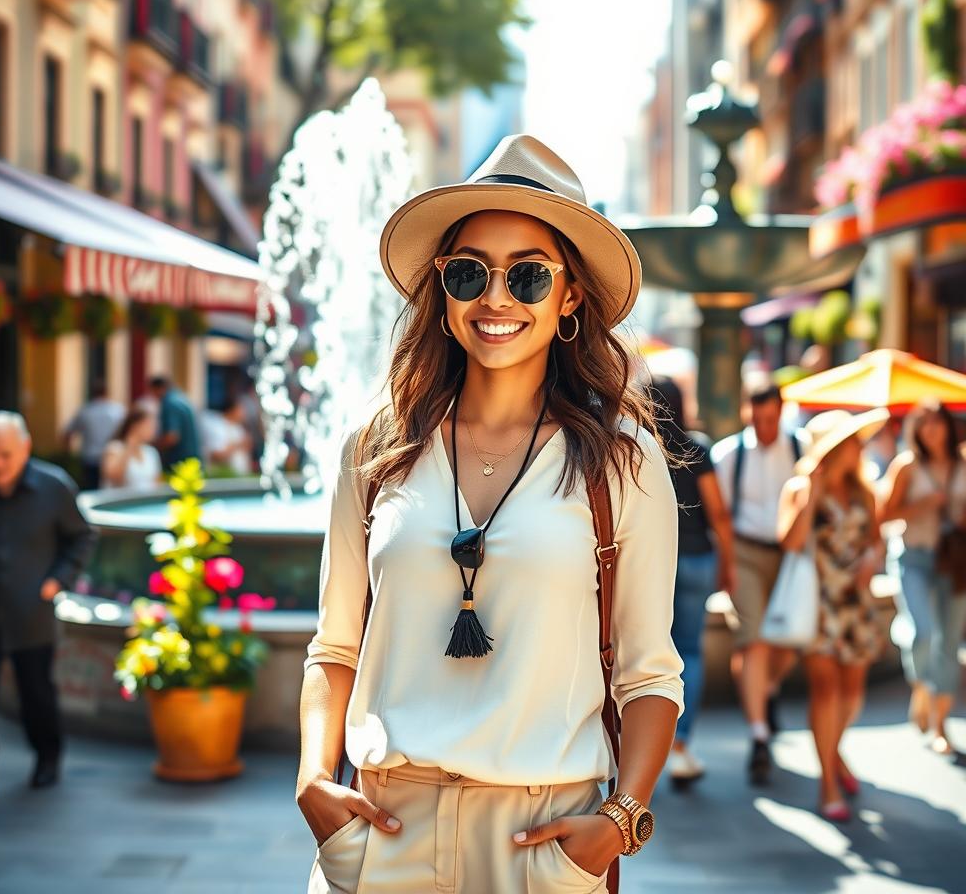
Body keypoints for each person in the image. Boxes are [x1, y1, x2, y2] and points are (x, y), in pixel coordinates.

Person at [297, 135, 683, 893]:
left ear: (570, 295)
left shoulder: (621, 462)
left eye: (529, 276)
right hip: (381, 834)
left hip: (541, 845)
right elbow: (334, 646)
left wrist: (619, 821)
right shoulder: (375, 446)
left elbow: (650, 676)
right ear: (442, 289)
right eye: (470, 272)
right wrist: (314, 777)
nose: (496, 299)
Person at [0, 411, 95, 822]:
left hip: (31, 613)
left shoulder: (54, 487)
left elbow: (81, 537)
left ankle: (47, 756)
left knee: (36, 695)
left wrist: (56, 581)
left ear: (25, 448)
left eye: (5, 455)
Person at [777, 409, 888, 821]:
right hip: (816, 602)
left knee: (853, 692)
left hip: (855, 600)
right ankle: (827, 781)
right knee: (826, 690)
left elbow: (877, 541)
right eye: (852, 440)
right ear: (834, 448)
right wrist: (812, 491)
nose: (860, 446)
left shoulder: (864, 490)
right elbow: (789, 542)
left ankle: (834, 752)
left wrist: (871, 560)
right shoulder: (801, 487)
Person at [711, 379, 802, 785]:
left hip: (789, 555)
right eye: (758, 419)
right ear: (748, 413)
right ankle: (759, 735)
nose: (766, 427)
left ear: (781, 413)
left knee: (789, 640)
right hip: (746, 553)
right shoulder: (730, 455)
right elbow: (721, 518)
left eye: (772, 419)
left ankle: (764, 693)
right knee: (755, 638)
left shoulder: (800, 450)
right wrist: (727, 566)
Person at [648, 376, 736, 789]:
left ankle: (639, 751)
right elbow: (719, 513)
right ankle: (680, 745)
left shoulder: (636, 448)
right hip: (699, 559)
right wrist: (729, 562)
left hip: (651, 564)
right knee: (691, 653)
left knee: (643, 655)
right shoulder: (697, 448)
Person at [880, 399, 966, 756]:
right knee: (922, 631)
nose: (932, 429)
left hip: (955, 561)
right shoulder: (907, 466)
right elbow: (884, 514)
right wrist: (924, 506)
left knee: (950, 642)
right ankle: (920, 685)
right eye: (924, 423)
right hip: (913, 557)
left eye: (937, 422)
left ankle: (941, 724)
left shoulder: (962, 463)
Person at [61, 381, 125, 490]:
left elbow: (67, 433)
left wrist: (69, 454)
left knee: (91, 490)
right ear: (107, 393)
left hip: (90, 458)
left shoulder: (85, 411)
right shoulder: (118, 411)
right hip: (113, 458)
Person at [100, 406, 163, 490]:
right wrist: (130, 446)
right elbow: (115, 478)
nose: (154, 429)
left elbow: (157, 484)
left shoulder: (152, 452)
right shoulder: (114, 448)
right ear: (135, 425)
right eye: (149, 425)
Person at [148, 376, 202, 472]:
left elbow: (171, 437)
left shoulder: (169, 403)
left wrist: (151, 447)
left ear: (159, 388)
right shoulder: (182, 398)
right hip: (192, 461)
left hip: (179, 463)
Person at [202, 397, 254, 475]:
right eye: (241, 410)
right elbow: (216, 456)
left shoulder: (238, 428)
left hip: (240, 476)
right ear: (233, 409)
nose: (244, 414)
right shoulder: (215, 426)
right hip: (223, 477)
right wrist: (238, 445)